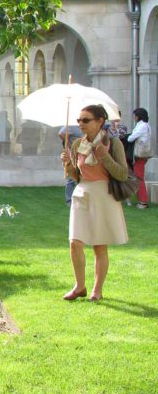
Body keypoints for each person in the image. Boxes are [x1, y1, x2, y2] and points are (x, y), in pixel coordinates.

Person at [60, 104, 130, 302]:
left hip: (103, 195)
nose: (81, 124)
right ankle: (79, 286)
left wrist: (104, 156)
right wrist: (67, 164)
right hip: (82, 193)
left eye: (86, 120)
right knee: (74, 242)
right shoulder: (77, 144)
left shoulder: (113, 143)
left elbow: (122, 174)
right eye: (79, 120)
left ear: (100, 121)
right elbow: (76, 176)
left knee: (99, 245)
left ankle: (97, 290)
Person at [126, 107, 151, 209]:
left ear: (137, 116)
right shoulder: (146, 125)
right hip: (142, 154)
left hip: (140, 154)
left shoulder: (142, 126)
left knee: (138, 177)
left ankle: (143, 202)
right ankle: (142, 201)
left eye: (135, 116)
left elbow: (131, 138)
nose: (134, 118)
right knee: (138, 177)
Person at [57, 124, 83, 205]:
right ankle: (69, 201)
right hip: (72, 153)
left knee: (81, 176)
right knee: (70, 179)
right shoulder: (72, 126)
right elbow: (61, 133)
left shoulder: (83, 127)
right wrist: (67, 144)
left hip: (81, 153)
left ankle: (80, 198)